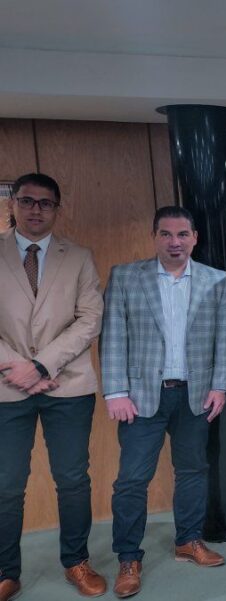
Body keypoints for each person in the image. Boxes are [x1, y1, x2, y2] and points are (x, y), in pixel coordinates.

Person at [101, 206, 226, 598]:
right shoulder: (126, 277)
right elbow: (113, 337)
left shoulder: (216, 280)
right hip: (141, 397)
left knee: (193, 470)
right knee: (131, 480)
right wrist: (115, 391)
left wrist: (220, 385)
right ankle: (128, 556)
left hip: (195, 393)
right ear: (154, 236)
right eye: (166, 234)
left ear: (194, 237)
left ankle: (187, 540)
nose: (174, 242)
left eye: (182, 234)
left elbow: (223, 339)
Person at [0, 173, 106, 600]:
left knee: (73, 479)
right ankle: (6, 570)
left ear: (56, 209)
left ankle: (76, 561)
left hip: (67, 384)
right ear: (13, 205)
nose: (35, 209)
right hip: (7, 386)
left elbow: (90, 319)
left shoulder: (78, 256)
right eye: (27, 200)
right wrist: (17, 368)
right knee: (7, 482)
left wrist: (41, 364)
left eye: (45, 203)